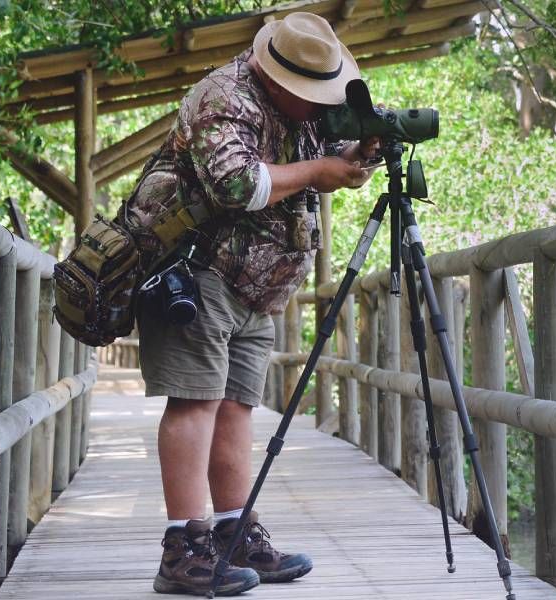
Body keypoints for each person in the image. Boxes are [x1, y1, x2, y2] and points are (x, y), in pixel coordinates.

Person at [118, 12, 379, 597]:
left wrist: (362, 149)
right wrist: (321, 171)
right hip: (196, 271)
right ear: (278, 77)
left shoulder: (305, 113)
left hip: (259, 287)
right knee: (195, 403)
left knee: (237, 407)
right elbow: (236, 183)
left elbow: (329, 151)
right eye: (312, 95)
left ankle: (237, 536)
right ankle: (183, 549)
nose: (319, 105)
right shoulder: (223, 95)